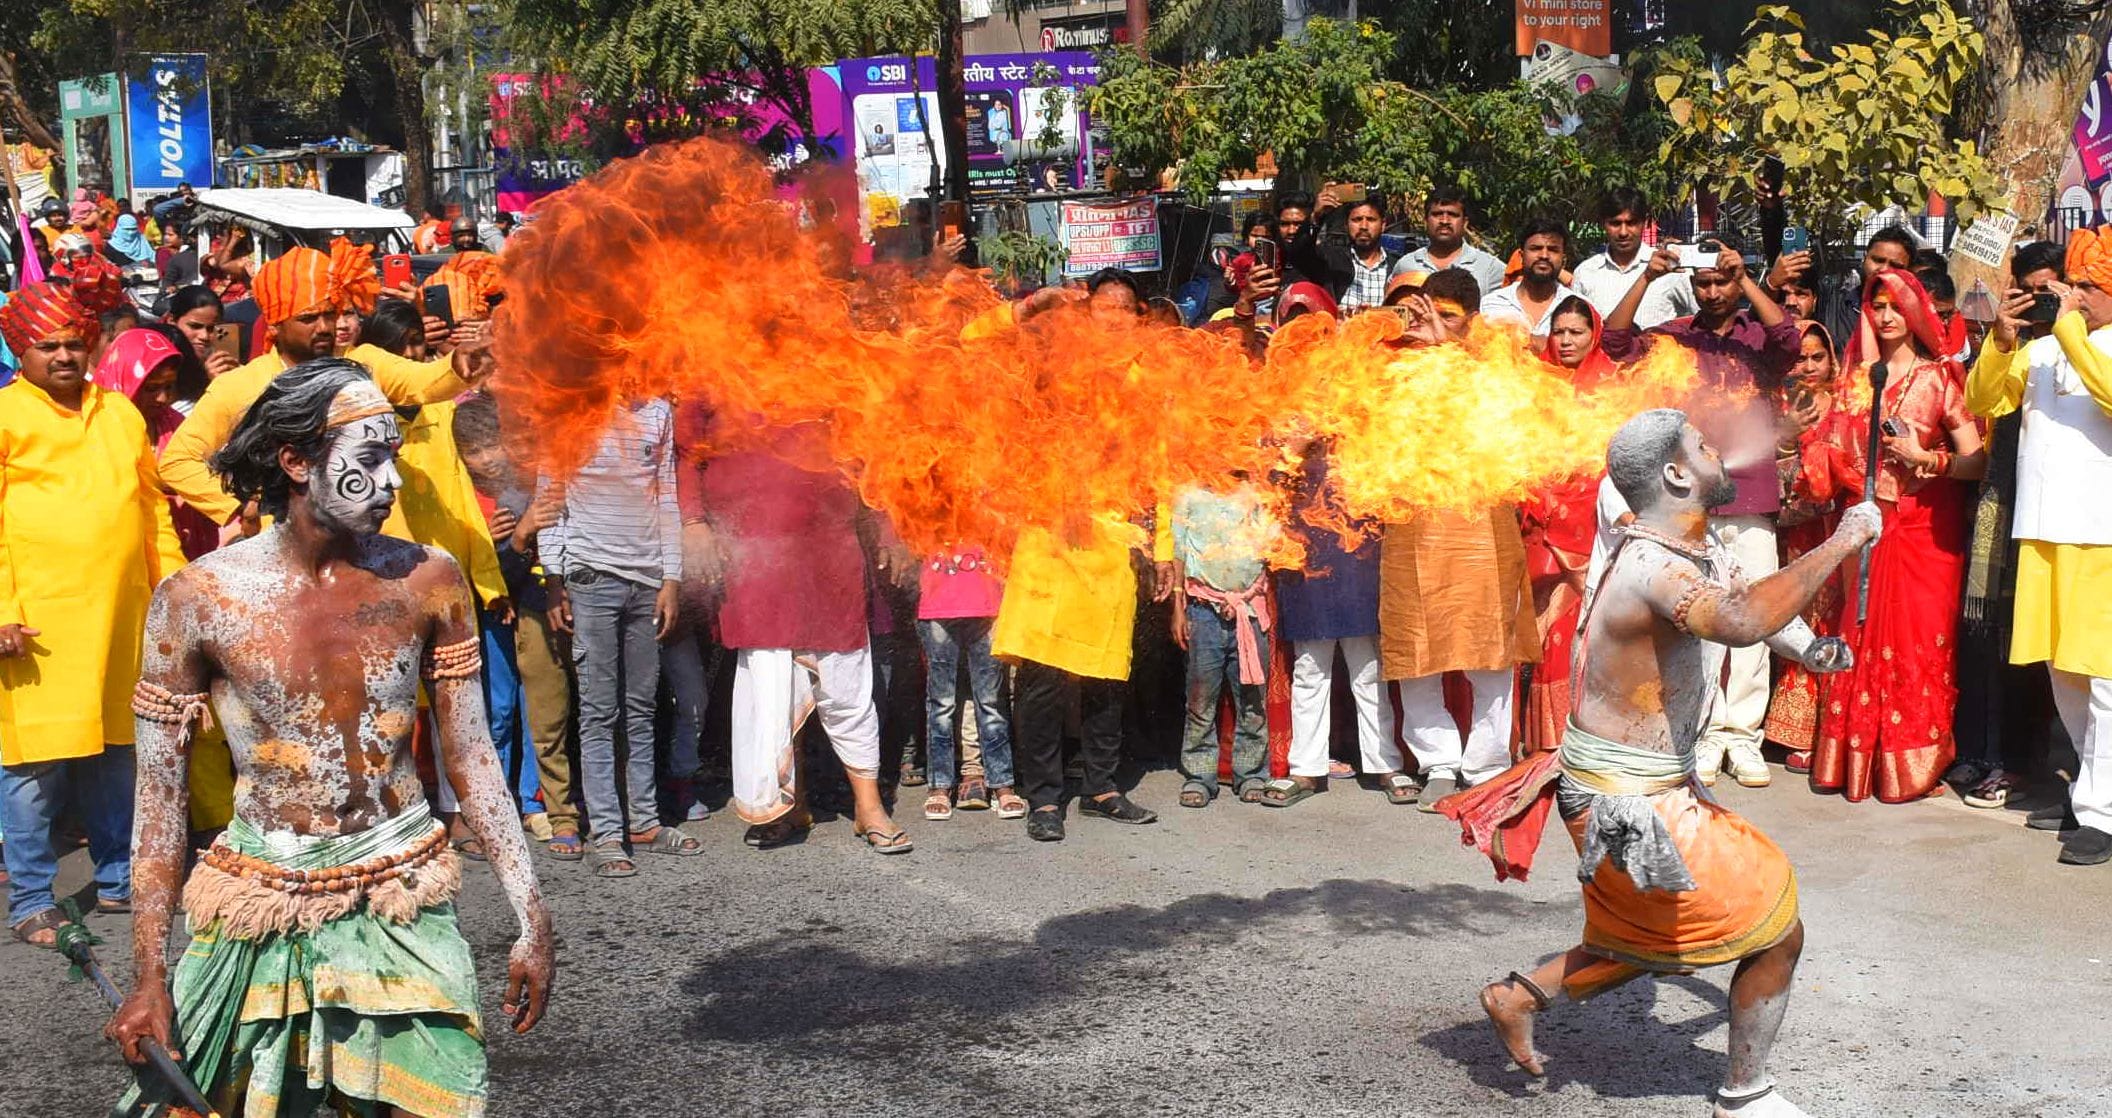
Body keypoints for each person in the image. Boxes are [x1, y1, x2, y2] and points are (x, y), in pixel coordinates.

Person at [107, 358, 553, 1115]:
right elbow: (158, 801)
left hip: (401, 891)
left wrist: (531, 916)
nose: (395, 485)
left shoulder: (429, 580)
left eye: (396, 460)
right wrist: (150, 974)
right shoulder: (199, 598)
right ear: (295, 462)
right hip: (257, 900)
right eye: (372, 460)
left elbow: (472, 758)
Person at [1448, 409, 1879, 1118]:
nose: (1721, 456)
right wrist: (1844, 540)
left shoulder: (1690, 547)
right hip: (1627, 801)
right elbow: (1738, 619)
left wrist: (1810, 650)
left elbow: (1746, 599)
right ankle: (1745, 1097)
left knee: (1651, 939)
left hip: (1644, 789)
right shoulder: (1653, 564)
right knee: (1775, 928)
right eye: (1705, 448)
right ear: (1677, 474)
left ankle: (1516, 997)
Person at [0, 285, 185, 949]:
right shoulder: (5, 416)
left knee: (117, 754)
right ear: (20, 350)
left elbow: (149, 509)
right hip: (37, 627)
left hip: (121, 612)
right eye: (47, 345)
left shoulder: (120, 415)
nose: (64, 355)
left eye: (74, 342)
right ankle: (30, 900)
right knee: (33, 768)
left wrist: (171, 592)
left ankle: (117, 879)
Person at [1604, 234, 1800, 788]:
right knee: (1696, 619)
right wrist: (1647, 274)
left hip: (1751, 496)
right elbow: (1616, 342)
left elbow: (1789, 339)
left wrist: (1751, 280)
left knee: (1758, 613)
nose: (1713, 291)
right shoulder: (1675, 337)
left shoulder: (1759, 336)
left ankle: (1744, 736)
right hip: (1689, 499)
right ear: (1691, 283)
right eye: (1705, 281)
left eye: (1722, 280)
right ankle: (1704, 734)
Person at [979, 272, 1162, 841]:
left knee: (1107, 677)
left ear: (1137, 318)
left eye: (1124, 308)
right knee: (1043, 680)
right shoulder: (1049, 359)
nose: (1111, 316)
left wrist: (1166, 547)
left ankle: (1102, 786)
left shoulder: (1147, 379)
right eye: (1102, 306)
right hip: (1050, 538)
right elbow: (974, 343)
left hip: (1111, 541)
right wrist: (1035, 304)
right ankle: (1044, 798)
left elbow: (1164, 467)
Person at [678, 410, 907, 853]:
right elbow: (687, 453)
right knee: (770, 690)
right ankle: (788, 803)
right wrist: (693, 524)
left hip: (831, 553)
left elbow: (872, 457)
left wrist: (890, 529)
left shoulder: (834, 362)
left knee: (848, 684)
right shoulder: (710, 355)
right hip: (756, 557)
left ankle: (869, 807)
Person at [158, 246, 482, 544]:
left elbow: (420, 382)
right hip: (289, 548)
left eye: (330, 313)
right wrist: (241, 504)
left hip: (372, 541)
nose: (325, 327)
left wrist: (459, 365)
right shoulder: (240, 386)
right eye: (309, 318)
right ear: (275, 325)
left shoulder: (361, 362)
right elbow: (177, 461)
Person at [1808, 270, 1985, 802]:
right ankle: (1854, 761)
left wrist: (1923, 457)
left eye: (1893, 305)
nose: (1884, 316)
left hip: (1924, 530)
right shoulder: (1859, 379)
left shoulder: (1938, 379)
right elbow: (1831, 454)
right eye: (1874, 305)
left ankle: (1910, 761)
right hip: (1865, 525)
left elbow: (1976, 463)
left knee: (1914, 643)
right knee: (1857, 635)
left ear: (1913, 311)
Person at [1966, 228, 2112, 865]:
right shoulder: (2043, 350)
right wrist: (2000, 342)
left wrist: (2073, 330)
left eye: (2088, 287)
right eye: (2071, 285)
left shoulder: (2081, 344)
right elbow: (1984, 397)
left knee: (2105, 677)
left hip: (2101, 534)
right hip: (2042, 528)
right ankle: (2093, 790)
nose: (2072, 296)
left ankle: (2101, 813)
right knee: (2062, 670)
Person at [1380, 267, 1540, 807]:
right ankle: (1438, 759)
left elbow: (1512, 420)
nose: (1428, 327)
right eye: (1424, 315)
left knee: (1489, 647)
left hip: (1482, 518)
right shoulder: (1394, 368)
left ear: (1472, 320)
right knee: (1417, 643)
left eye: (1445, 318)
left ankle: (1488, 761)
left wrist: (1450, 350)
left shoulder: (1499, 362)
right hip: (1415, 519)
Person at [536, 394, 702, 874]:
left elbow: (666, 496)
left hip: (648, 583)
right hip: (591, 580)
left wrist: (671, 579)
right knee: (598, 711)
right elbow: (551, 500)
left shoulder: (659, 413)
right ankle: (608, 830)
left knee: (642, 708)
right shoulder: (566, 410)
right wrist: (554, 581)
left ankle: (644, 821)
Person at [1949, 241, 2066, 808]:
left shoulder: (2092, 347)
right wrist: (2000, 340)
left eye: (2053, 290)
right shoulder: (2016, 348)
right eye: (2031, 291)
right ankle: (2004, 759)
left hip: (2073, 512)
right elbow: (1982, 399)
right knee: (2002, 634)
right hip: (2013, 502)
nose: (2042, 302)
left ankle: (2046, 764)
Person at [1518, 296, 1616, 753]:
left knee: (1578, 631)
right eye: (1559, 332)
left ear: (1593, 334)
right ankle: (1542, 738)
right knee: (1537, 636)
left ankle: (1582, 737)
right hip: (1537, 524)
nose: (1567, 341)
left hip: (1589, 528)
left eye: (1577, 332)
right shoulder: (1534, 385)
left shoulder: (1612, 387)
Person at [1765, 322, 1864, 773]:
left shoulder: (1848, 405)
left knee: (1838, 619)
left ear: (1831, 360)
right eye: (1800, 358)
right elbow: (1762, 468)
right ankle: (1798, 729)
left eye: (1816, 357)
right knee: (1798, 618)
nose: (1807, 367)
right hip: (1794, 533)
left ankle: (1834, 727)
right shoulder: (1775, 406)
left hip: (1838, 532)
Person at [1168, 479, 1282, 808]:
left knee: (1252, 700)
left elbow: (1274, 547)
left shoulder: (1259, 492)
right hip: (1203, 612)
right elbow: (1178, 553)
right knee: (1200, 700)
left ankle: (1251, 774)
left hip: (1249, 610)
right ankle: (1199, 775)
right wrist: (1178, 608)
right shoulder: (1188, 493)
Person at [916, 544, 1023, 821]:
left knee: (990, 702)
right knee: (941, 704)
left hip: (989, 605)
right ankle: (939, 786)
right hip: (938, 606)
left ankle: (1001, 784)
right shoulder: (927, 501)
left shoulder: (994, 501)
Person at [1571, 187, 1698, 329]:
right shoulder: (1585, 273)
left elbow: (1702, 316)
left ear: (1644, 223)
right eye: (1615, 223)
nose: (1623, 232)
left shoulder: (1668, 268)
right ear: (1603, 224)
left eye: (1631, 223)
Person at [1287, 188, 1401, 312]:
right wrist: (1315, 217)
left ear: (1383, 225)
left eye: (1371, 219)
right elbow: (1299, 255)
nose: (1363, 226)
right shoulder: (1329, 260)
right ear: (1346, 225)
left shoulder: (1398, 266)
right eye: (1357, 220)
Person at [1813, 225, 1917, 353]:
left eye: (1895, 265)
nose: (1884, 269)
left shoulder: (1915, 319)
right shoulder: (1832, 305)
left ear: (1909, 272)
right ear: (1864, 258)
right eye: (1878, 260)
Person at [1392, 187, 1506, 298]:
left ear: (1465, 223)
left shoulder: (1489, 268)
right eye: (1437, 214)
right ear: (1426, 221)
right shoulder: (1406, 266)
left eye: (1453, 215)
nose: (1444, 221)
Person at [1482, 216, 1580, 339]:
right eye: (1536, 248)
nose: (1544, 255)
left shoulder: (1577, 306)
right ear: (1521, 256)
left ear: (1563, 260)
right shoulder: (1492, 304)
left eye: (1553, 250)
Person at [163, 285, 239, 380]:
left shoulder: (222, 362)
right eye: (195, 326)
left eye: (211, 328)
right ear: (172, 321)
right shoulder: (160, 363)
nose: (204, 336)